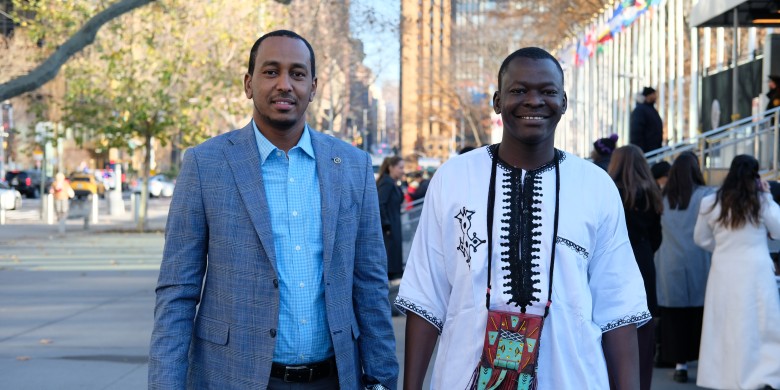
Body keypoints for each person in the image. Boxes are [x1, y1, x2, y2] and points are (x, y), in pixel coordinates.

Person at [148, 30, 398, 390]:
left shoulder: (353, 167)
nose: (285, 84)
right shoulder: (206, 164)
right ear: (249, 84)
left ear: (313, 87)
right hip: (233, 377)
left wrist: (382, 379)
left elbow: (371, 285)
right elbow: (178, 291)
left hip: (333, 378)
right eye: (271, 72)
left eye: (297, 74)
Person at [397, 47, 649, 390]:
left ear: (564, 101)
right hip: (462, 377)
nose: (533, 101)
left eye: (547, 91)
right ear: (498, 101)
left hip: (572, 378)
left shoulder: (595, 185)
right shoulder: (453, 178)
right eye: (519, 91)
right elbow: (426, 297)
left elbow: (617, 308)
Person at [694, 154, 780, 390]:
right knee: (761, 325)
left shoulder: (710, 202)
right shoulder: (760, 202)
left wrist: (721, 247)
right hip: (757, 269)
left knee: (724, 324)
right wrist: (768, 195)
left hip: (724, 270)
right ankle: (762, 375)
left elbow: (700, 238)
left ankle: (723, 377)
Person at [653, 152, 712, 383]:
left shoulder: (661, 198)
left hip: (669, 264)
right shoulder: (706, 196)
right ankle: (705, 366)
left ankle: (680, 365)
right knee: (700, 316)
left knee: (674, 318)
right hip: (700, 262)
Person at [608, 145, 663, 390]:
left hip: (615, 262)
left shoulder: (609, 190)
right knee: (643, 327)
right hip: (643, 259)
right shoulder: (651, 192)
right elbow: (657, 237)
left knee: (614, 323)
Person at [376, 156, 405, 281]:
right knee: (389, 258)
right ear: (391, 168)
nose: (403, 171)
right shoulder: (386, 183)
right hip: (388, 229)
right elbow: (380, 203)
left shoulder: (391, 183)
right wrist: (386, 225)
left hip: (392, 225)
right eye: (400, 168)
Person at [630, 87, 664, 153]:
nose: (655, 96)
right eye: (653, 94)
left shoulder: (651, 110)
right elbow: (636, 131)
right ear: (647, 96)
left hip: (653, 150)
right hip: (645, 151)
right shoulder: (640, 110)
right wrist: (639, 151)